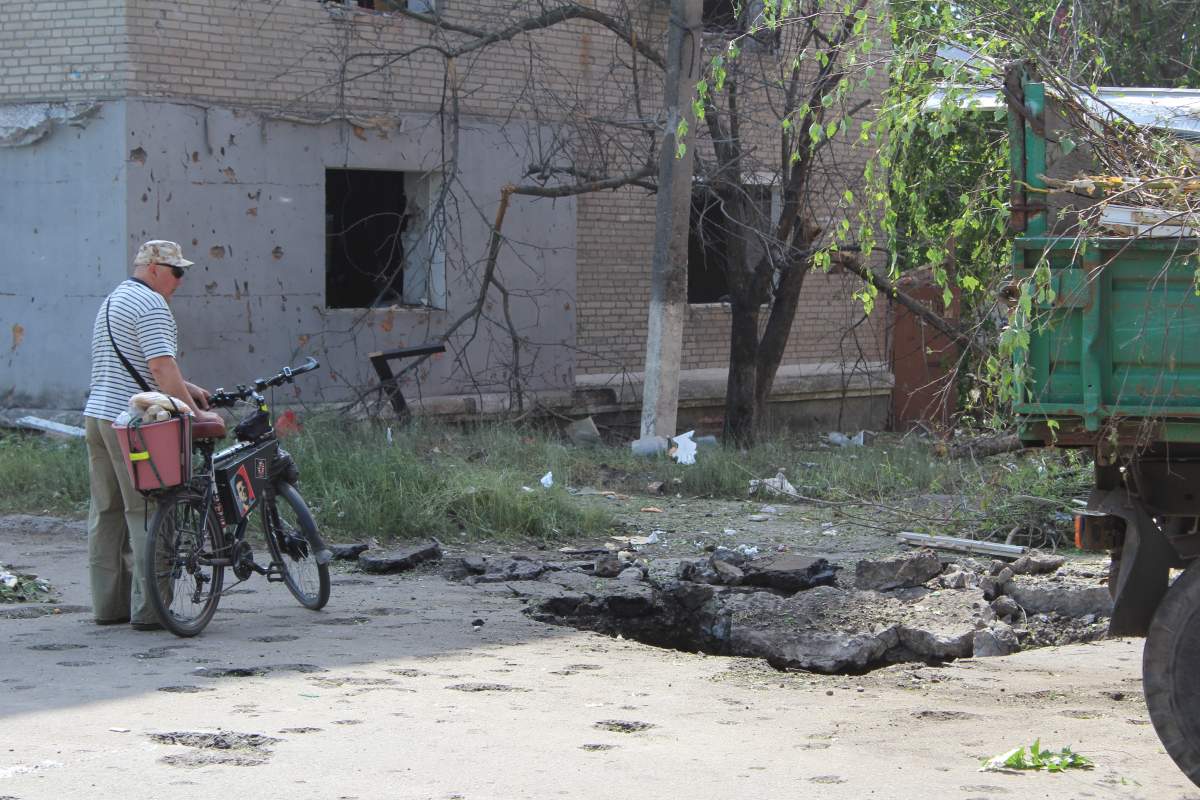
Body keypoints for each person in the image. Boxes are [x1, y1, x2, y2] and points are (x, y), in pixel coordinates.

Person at [83, 240, 222, 631]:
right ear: (155, 269)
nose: (180, 280)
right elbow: (160, 367)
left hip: (98, 416)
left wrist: (186, 386)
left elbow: (137, 363)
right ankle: (150, 612)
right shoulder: (152, 304)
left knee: (106, 513)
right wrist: (194, 412)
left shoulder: (115, 299)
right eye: (176, 272)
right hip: (135, 426)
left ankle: (109, 607)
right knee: (147, 511)